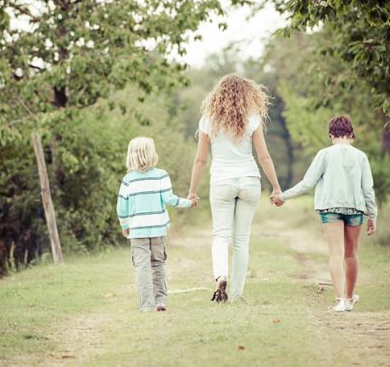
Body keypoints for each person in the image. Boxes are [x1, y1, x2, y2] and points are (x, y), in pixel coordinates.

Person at [187, 74, 282, 303]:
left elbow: (200, 160)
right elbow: (264, 156)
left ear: (217, 95)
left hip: (221, 181)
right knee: (241, 240)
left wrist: (192, 190)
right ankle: (237, 294)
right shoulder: (253, 119)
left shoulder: (208, 121)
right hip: (249, 180)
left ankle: (221, 274)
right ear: (247, 93)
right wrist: (276, 187)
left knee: (221, 235)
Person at [272, 115, 377, 312]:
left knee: (336, 253)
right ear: (351, 134)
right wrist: (373, 215)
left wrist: (283, 196)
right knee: (351, 253)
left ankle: (341, 301)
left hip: (330, 209)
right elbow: (368, 189)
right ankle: (349, 298)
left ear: (331, 134)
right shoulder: (360, 156)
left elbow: (307, 183)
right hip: (356, 209)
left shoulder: (324, 154)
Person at [117, 137, 197, 312]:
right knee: (158, 263)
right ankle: (160, 300)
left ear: (131, 155)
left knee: (142, 266)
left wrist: (125, 226)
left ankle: (146, 305)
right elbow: (170, 199)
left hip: (137, 231)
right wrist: (189, 203)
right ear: (152, 153)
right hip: (158, 229)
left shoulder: (128, 180)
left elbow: (121, 207)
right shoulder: (161, 175)